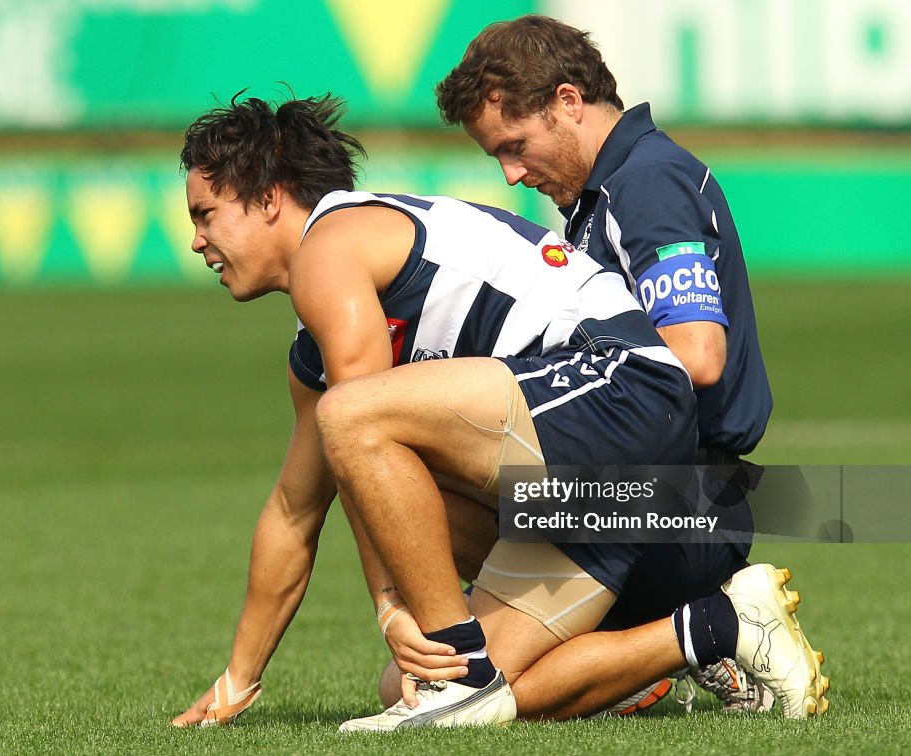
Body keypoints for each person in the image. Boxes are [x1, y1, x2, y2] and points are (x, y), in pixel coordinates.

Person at [170, 93, 827, 732]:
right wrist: (239, 679)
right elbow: (294, 512)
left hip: (625, 388)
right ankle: (721, 625)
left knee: (354, 424)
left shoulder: (329, 243)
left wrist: (393, 606)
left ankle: (468, 663)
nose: (197, 239)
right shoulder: (315, 343)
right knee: (418, 686)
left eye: (206, 213)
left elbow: (357, 420)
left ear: (268, 197)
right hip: (586, 475)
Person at [435, 14, 776, 710]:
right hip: (656, 498)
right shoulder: (604, 196)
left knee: (467, 691)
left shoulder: (645, 184)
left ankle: (713, 627)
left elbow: (697, 354)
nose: (511, 172)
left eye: (515, 146)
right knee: (434, 663)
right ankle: (650, 645)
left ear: (568, 101)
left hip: (682, 505)